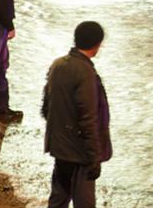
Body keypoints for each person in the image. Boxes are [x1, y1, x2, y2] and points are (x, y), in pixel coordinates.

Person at [42, 21, 111, 208]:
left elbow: (46, 107)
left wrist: (59, 135)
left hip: (60, 146)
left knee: (58, 198)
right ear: (97, 44)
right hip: (78, 152)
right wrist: (94, 156)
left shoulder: (58, 65)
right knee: (84, 201)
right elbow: (89, 117)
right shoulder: (85, 72)